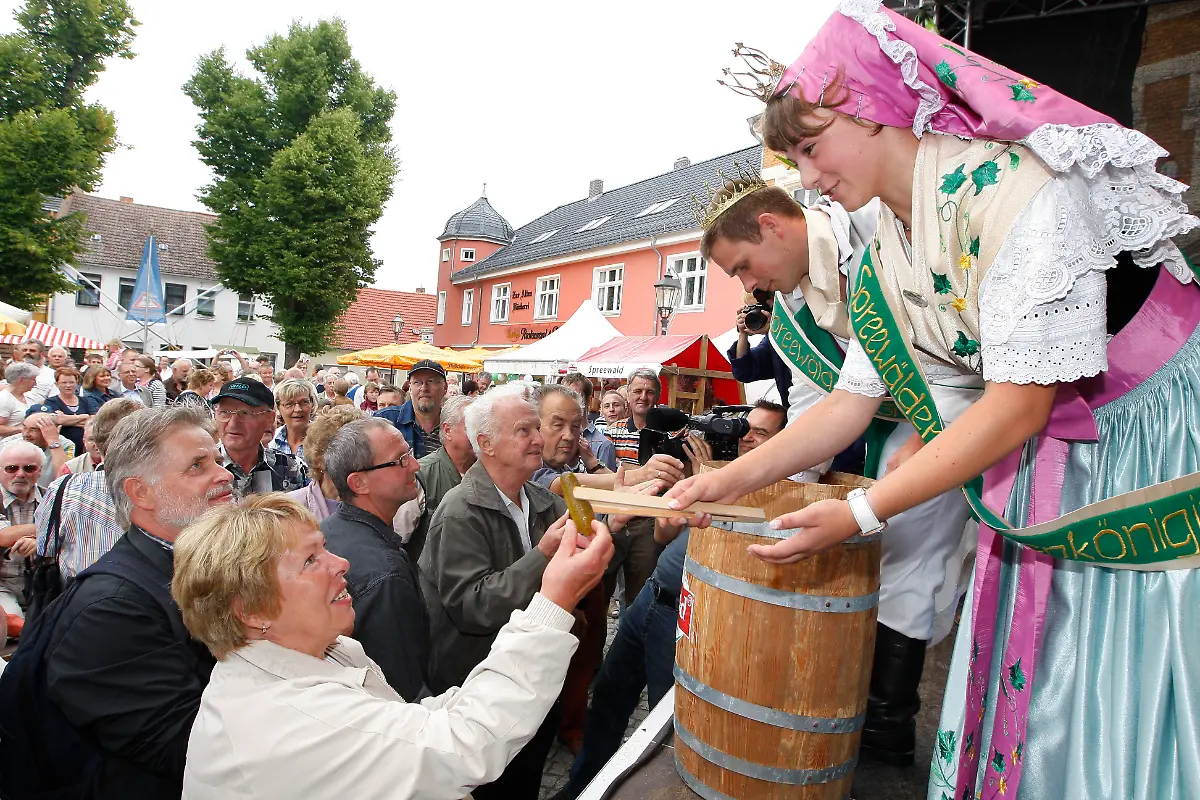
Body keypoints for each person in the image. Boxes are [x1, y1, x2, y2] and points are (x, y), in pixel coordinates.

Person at [669, 6, 1200, 798]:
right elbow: (848, 405)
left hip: (1146, 436)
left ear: (871, 108)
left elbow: (1018, 407)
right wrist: (725, 480)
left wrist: (859, 513)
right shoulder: (890, 240)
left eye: (811, 149)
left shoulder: (1018, 192)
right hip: (1055, 450)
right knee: (1044, 667)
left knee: (1119, 667)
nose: (806, 179)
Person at [172, 492, 611, 800]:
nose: (341, 563)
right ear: (251, 611)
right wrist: (554, 602)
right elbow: (463, 745)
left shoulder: (327, 654)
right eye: (310, 560)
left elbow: (411, 727)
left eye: (325, 548)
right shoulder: (288, 720)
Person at [556, 400, 787, 799]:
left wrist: (710, 483)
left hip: (685, 615)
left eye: (761, 433)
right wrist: (684, 501)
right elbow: (663, 537)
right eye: (744, 428)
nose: (746, 437)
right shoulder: (719, 474)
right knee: (609, 696)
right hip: (651, 597)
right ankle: (582, 787)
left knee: (666, 725)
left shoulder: (774, 495)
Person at [35, 406, 232, 798]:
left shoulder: (202, 569)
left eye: (217, 460)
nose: (224, 475)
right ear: (140, 492)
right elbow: (189, 749)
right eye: (197, 465)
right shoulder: (110, 609)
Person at [418, 384, 570, 799]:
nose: (538, 439)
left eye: (536, 428)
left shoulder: (540, 499)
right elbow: (474, 607)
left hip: (530, 683)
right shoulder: (459, 511)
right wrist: (543, 554)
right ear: (485, 444)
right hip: (480, 696)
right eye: (524, 430)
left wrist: (616, 524)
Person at [320, 418, 431, 702]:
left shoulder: (327, 532)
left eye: (410, 454)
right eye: (400, 460)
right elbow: (401, 689)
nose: (415, 466)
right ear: (358, 483)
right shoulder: (384, 575)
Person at [36, 398, 142, 580]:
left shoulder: (64, 489)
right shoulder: (168, 488)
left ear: (99, 442)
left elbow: (45, 548)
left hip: (79, 589)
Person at [601, 367, 682, 606]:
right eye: (637, 391)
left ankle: (631, 624)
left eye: (649, 392)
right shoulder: (613, 431)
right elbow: (606, 475)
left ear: (658, 396)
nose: (643, 397)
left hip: (649, 519)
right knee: (602, 586)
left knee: (639, 590)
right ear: (628, 394)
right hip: (616, 515)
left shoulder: (672, 432)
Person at [212, 379, 308, 498]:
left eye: (245, 413)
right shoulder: (201, 470)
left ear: (269, 419)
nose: (232, 423)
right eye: (224, 412)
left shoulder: (290, 469)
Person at [286, 405, 363, 523]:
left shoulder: (381, 503)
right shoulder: (291, 508)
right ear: (320, 460)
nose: (362, 459)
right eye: (350, 451)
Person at [0, 439, 43, 634]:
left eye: (29, 468)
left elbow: (68, 535)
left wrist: (38, 542)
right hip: (2, 585)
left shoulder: (53, 497)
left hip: (43, 584)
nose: (20, 474)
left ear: (40, 471)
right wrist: (46, 529)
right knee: (16, 628)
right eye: (11, 468)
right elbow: (3, 536)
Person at [728, 291, 794, 408]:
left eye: (763, 307)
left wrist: (775, 328)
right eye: (753, 308)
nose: (758, 313)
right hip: (793, 409)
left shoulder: (796, 325)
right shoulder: (771, 341)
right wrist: (743, 333)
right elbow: (745, 371)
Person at [417, 394, 475, 515]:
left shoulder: (491, 470)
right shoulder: (421, 474)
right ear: (448, 430)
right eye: (471, 427)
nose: (480, 434)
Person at [377, 359, 447, 457]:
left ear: (445, 388)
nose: (424, 388)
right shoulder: (385, 419)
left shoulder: (455, 424)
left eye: (431, 381)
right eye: (417, 382)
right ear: (410, 388)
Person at [2, 410, 73, 488]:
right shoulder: (9, 443)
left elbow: (66, 477)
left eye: (33, 430)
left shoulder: (66, 445)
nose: (26, 434)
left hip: (48, 492)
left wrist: (53, 441)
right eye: (24, 428)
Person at [561, 372, 617, 470]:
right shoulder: (554, 438)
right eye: (565, 396)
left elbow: (608, 479)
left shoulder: (603, 445)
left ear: (589, 401)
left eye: (576, 396)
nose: (569, 402)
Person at [42, 367, 98, 453]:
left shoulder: (86, 400)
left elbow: (93, 421)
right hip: (63, 447)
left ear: (77, 383)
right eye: (64, 382)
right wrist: (83, 416)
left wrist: (67, 419)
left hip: (84, 448)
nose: (68, 385)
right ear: (56, 384)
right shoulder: (51, 402)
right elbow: (57, 420)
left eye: (71, 382)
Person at [271, 378, 316, 462]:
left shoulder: (324, 440)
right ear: (278, 408)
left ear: (312, 404)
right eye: (289, 404)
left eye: (304, 402)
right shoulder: (271, 441)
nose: (298, 409)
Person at [0, 362, 38, 437]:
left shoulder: (29, 395)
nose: (36, 383)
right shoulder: (4, 399)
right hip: (11, 442)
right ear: (22, 380)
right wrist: (23, 429)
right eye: (33, 379)